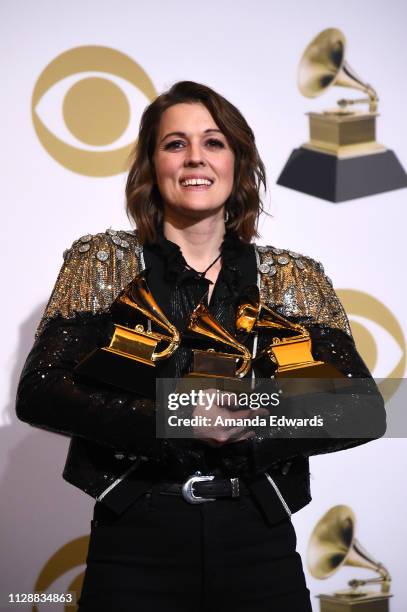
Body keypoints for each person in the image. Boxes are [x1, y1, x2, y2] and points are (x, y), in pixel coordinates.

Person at [16, 81, 386, 612]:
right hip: (135, 537)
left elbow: (360, 408)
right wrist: (177, 415)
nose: (195, 158)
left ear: (238, 162)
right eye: (175, 143)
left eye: (214, 142)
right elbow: (42, 391)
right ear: (152, 164)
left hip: (258, 538)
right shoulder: (103, 263)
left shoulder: (291, 277)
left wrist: (257, 417)